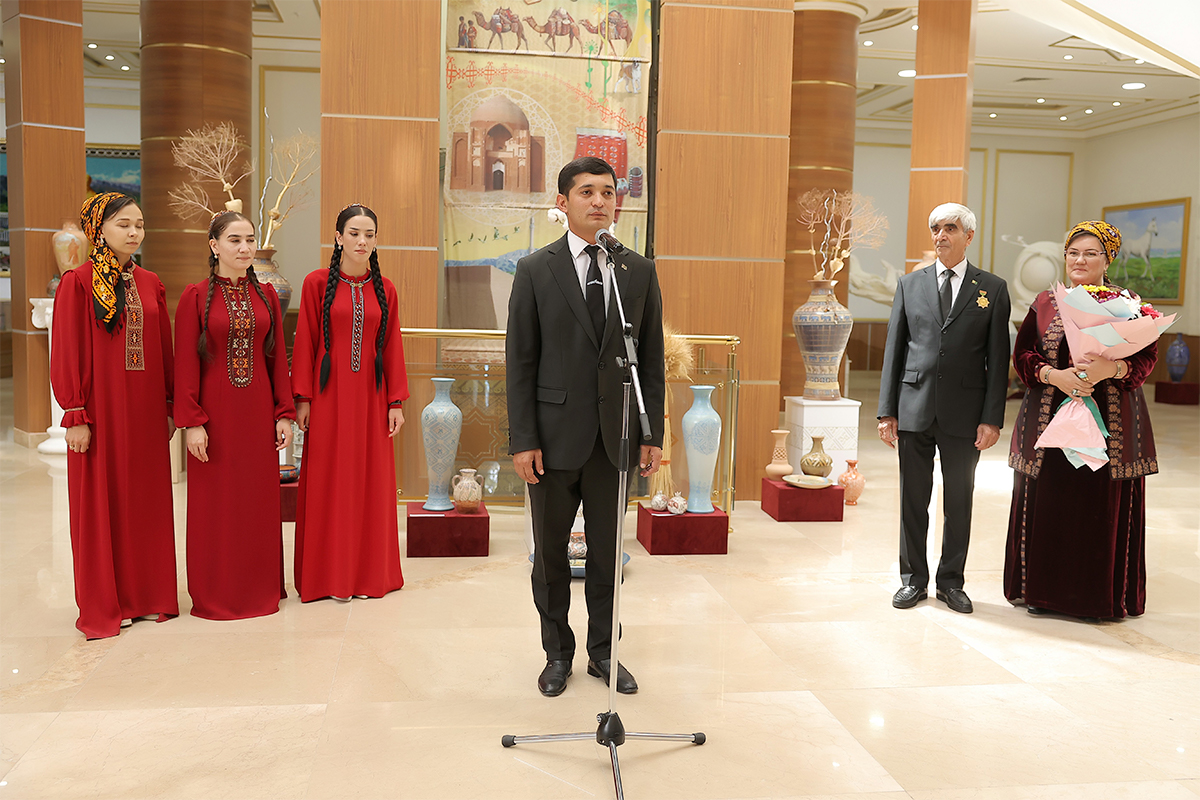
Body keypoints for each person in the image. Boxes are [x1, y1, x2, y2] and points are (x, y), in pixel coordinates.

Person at [506, 156, 665, 696]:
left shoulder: (636, 271)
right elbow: (520, 361)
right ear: (563, 202)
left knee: (606, 554)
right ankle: (557, 654)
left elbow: (650, 360)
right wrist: (523, 439)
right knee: (550, 556)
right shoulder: (535, 269)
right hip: (551, 440)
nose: (599, 201)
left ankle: (604, 652)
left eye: (607, 192)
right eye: (586, 192)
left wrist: (651, 433)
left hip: (615, 437)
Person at [1004, 221, 1157, 620]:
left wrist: (1113, 369)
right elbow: (1023, 355)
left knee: (1097, 506)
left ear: (1108, 260)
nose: (1079, 260)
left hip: (1109, 429)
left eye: (1090, 253)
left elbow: (1145, 359)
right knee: (1051, 502)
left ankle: (1096, 599)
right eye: (1073, 253)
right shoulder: (1045, 302)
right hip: (1050, 424)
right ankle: (1041, 594)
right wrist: (1054, 376)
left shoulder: (1129, 304)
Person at [50, 192, 179, 639]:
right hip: (100, 413)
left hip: (145, 413)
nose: (134, 232)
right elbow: (66, 351)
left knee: (144, 501)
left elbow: (164, 349)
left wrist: (168, 405)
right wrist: (75, 413)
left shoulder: (150, 282)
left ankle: (147, 596)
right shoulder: (77, 283)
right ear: (98, 229)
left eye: (139, 224)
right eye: (124, 224)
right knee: (102, 504)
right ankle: (107, 601)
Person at [877, 202, 1011, 615]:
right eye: (935, 228)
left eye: (950, 228)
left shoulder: (993, 288)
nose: (940, 235)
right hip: (913, 408)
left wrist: (991, 419)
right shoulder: (909, 285)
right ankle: (913, 581)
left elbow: (997, 359)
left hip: (965, 415)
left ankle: (951, 582)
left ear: (968, 236)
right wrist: (887, 411)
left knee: (960, 502)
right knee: (912, 500)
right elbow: (894, 350)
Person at [174, 211, 294, 620]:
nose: (245, 248)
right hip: (215, 419)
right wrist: (193, 422)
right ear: (214, 246)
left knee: (256, 503)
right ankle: (216, 592)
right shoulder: (194, 297)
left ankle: (259, 588)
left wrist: (283, 413)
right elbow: (185, 364)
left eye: (250, 240)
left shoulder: (267, 297)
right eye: (234, 240)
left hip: (257, 416)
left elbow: (277, 360)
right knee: (217, 506)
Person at [291, 204, 409, 602]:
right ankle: (329, 577)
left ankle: (368, 575)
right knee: (331, 482)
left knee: (371, 483)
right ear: (338, 237)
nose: (362, 241)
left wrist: (395, 401)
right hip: (328, 399)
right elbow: (305, 342)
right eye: (354, 233)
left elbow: (392, 346)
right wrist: (302, 399)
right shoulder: (315, 284)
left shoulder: (385, 288)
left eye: (369, 234)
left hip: (372, 400)